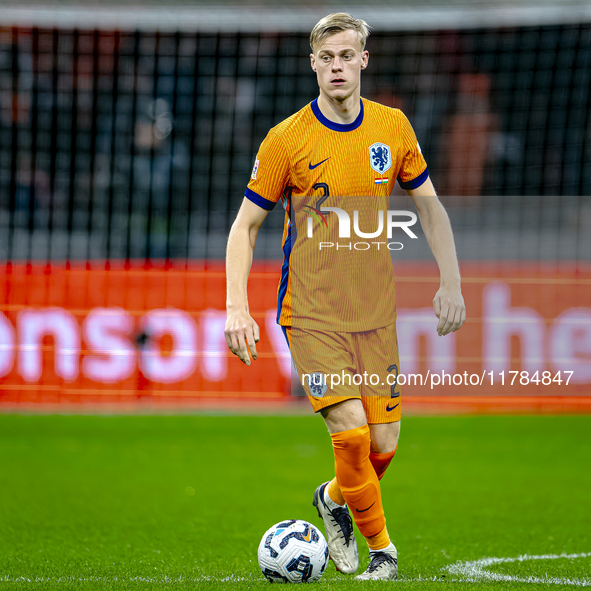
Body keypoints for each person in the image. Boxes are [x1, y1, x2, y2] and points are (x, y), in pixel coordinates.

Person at [225, 13, 466, 581]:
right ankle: (382, 551)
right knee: (351, 431)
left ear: (363, 60)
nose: (336, 66)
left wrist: (450, 280)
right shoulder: (286, 139)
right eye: (325, 58)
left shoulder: (393, 128)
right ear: (313, 64)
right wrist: (236, 305)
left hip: (374, 312)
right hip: (310, 312)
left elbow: (430, 208)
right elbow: (245, 228)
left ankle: (334, 499)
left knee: (381, 446)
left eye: (346, 56)